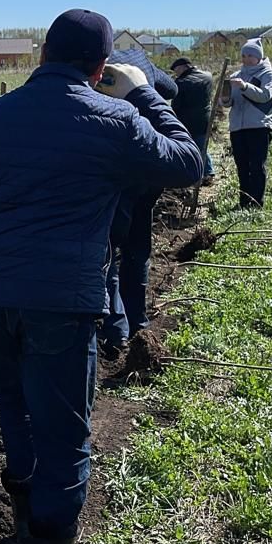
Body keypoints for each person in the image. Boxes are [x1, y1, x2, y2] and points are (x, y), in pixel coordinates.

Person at [0, 9, 203, 544]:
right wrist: (147, 94)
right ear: (101, 67)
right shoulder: (114, 121)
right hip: (61, 297)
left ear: (44, 54)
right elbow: (191, 162)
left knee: (14, 402)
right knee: (66, 428)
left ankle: (28, 519)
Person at [99, 47, 179, 357]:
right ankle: (137, 322)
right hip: (148, 173)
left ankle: (116, 328)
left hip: (116, 175)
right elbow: (172, 88)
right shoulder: (142, 64)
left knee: (108, 251)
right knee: (137, 248)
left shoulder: (104, 70)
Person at [223, 39, 272, 209]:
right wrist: (225, 100)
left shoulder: (268, 75)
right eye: (243, 55)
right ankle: (243, 201)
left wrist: (245, 86)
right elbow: (229, 103)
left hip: (259, 126)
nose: (246, 59)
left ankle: (256, 203)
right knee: (242, 166)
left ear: (258, 57)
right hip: (237, 127)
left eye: (250, 55)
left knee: (256, 166)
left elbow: (264, 96)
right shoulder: (235, 76)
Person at [170, 57, 215, 182]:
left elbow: (176, 105)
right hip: (205, 117)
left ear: (184, 67)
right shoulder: (207, 76)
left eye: (177, 70)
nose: (176, 73)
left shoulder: (181, 83)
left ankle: (196, 174)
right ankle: (208, 172)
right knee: (202, 146)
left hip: (187, 121)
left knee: (190, 148)